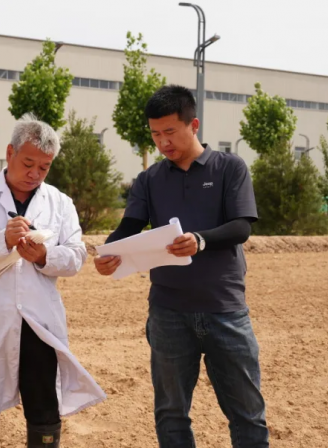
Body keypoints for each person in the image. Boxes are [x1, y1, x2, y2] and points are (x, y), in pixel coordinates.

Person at [94, 85, 269, 447]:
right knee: (171, 414)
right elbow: (130, 226)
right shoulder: (149, 179)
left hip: (224, 309)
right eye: (155, 134)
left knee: (247, 414)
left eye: (170, 132)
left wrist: (199, 240)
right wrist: (108, 252)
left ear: (194, 125)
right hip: (168, 312)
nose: (163, 142)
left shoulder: (230, 168)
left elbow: (241, 227)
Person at [0, 114, 105, 448]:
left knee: (43, 403)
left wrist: (44, 256)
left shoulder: (60, 203)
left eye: (44, 167)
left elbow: (76, 255)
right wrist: (2, 240)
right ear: (10, 153)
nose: (35, 173)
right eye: (28, 163)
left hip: (39, 321)